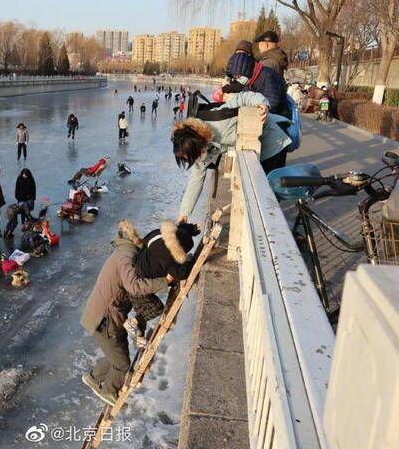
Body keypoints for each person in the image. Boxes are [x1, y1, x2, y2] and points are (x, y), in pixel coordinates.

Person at [80, 220, 171, 405]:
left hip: (100, 313)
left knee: (115, 354)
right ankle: (108, 391)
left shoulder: (123, 251)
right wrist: (164, 282)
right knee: (122, 365)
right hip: (105, 318)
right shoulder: (127, 255)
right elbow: (133, 285)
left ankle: (93, 377)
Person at [174, 90, 292, 224]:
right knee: (260, 193)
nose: (197, 159)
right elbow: (196, 179)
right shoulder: (197, 150)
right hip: (254, 150)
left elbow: (243, 97)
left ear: (198, 143)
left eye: (194, 155)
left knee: (269, 191)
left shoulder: (219, 121)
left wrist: (262, 104)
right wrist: (184, 213)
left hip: (273, 139)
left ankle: (276, 227)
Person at [123, 220, 199, 346]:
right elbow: (181, 274)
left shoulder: (157, 234)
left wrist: (192, 229)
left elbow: (179, 229)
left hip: (134, 278)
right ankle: (132, 323)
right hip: (142, 286)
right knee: (156, 308)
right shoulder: (169, 256)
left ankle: (139, 338)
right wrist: (188, 261)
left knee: (142, 310)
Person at [226, 41, 289, 117]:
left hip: (278, 118)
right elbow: (246, 97)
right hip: (263, 115)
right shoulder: (249, 80)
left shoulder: (268, 75)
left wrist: (255, 107)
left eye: (238, 77)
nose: (238, 80)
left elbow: (272, 103)